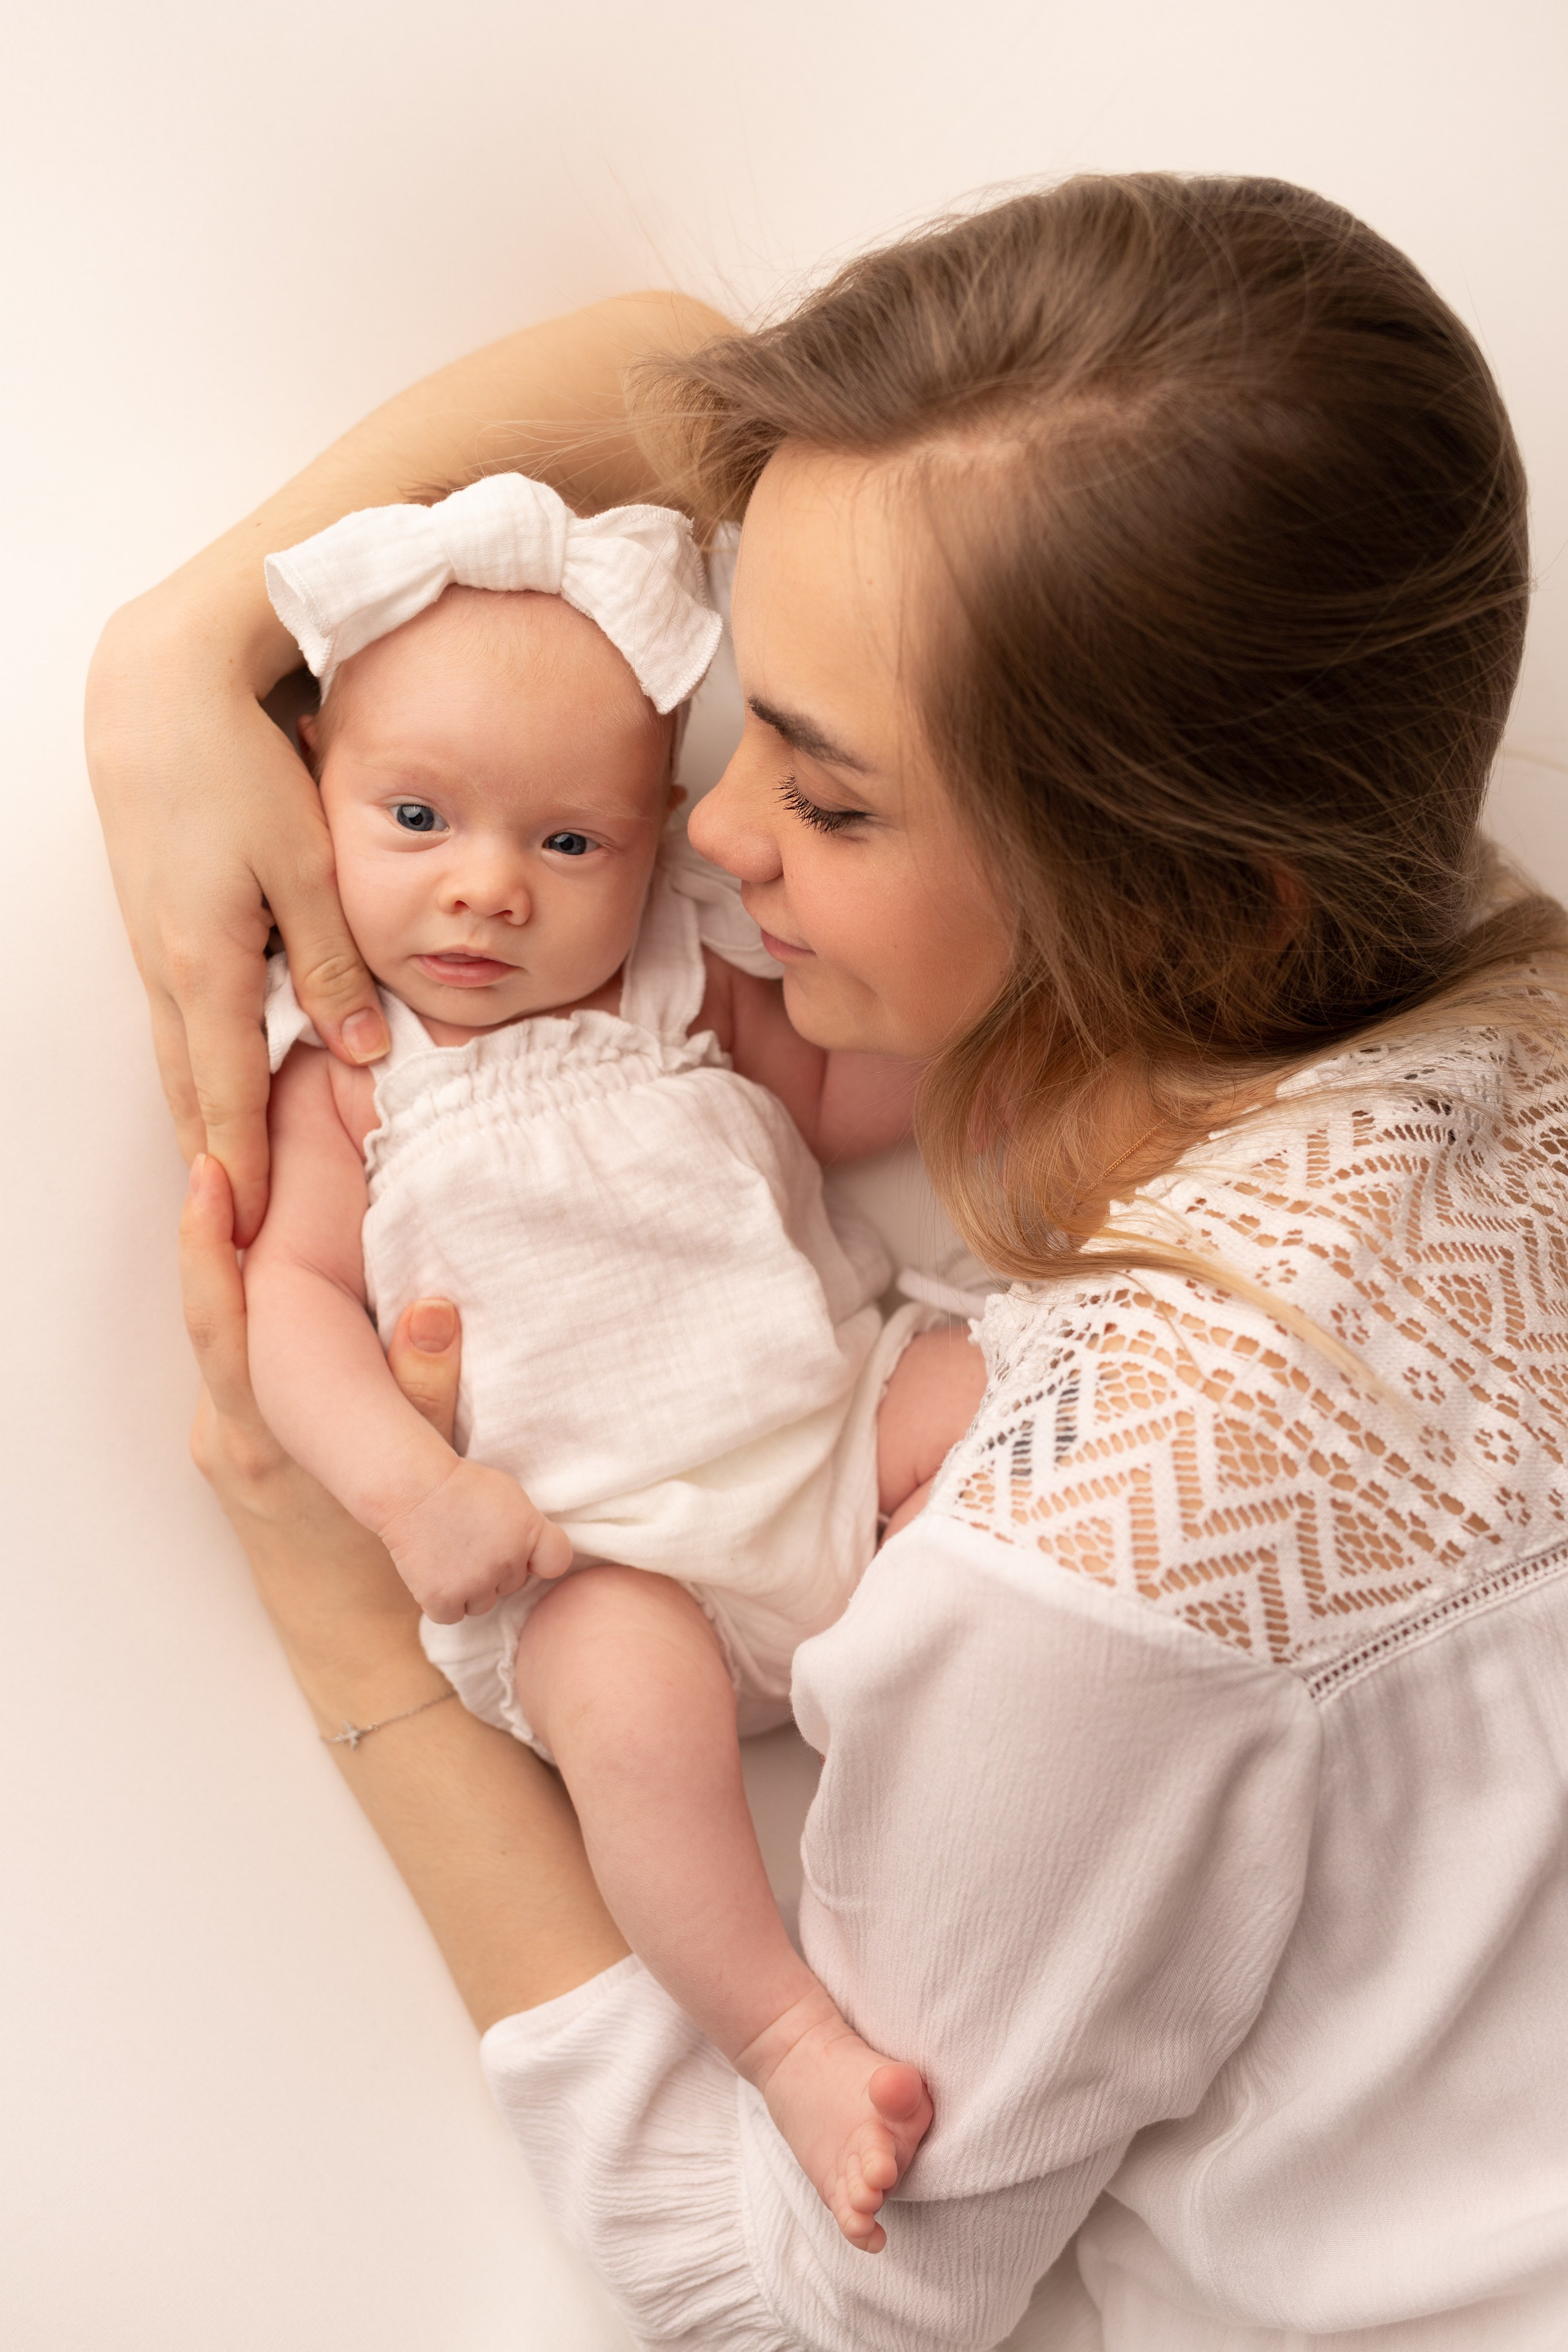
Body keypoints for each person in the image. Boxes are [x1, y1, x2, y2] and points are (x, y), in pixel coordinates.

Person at [89, 174, 1568, 2349]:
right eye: (740, 720)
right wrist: (173, 665)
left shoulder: (1100, 1567)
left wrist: (352, 1627)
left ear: (1202, 902)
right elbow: (660, 364)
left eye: (836, 796)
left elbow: (813, 2310)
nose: (709, 834)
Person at [247, 474, 986, 2245]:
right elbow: (289, 1308)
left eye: (568, 843)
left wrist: (992, 1048)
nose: (490, 889)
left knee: (1015, 1388)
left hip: (836, 1434)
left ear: (654, 842)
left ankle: (993, 1811)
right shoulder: (353, 1071)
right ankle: (786, 2029)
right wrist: (411, 1491)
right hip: (594, 1559)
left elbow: (829, 1090)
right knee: (633, 1714)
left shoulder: (686, 973)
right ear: (318, 807)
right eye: (417, 818)